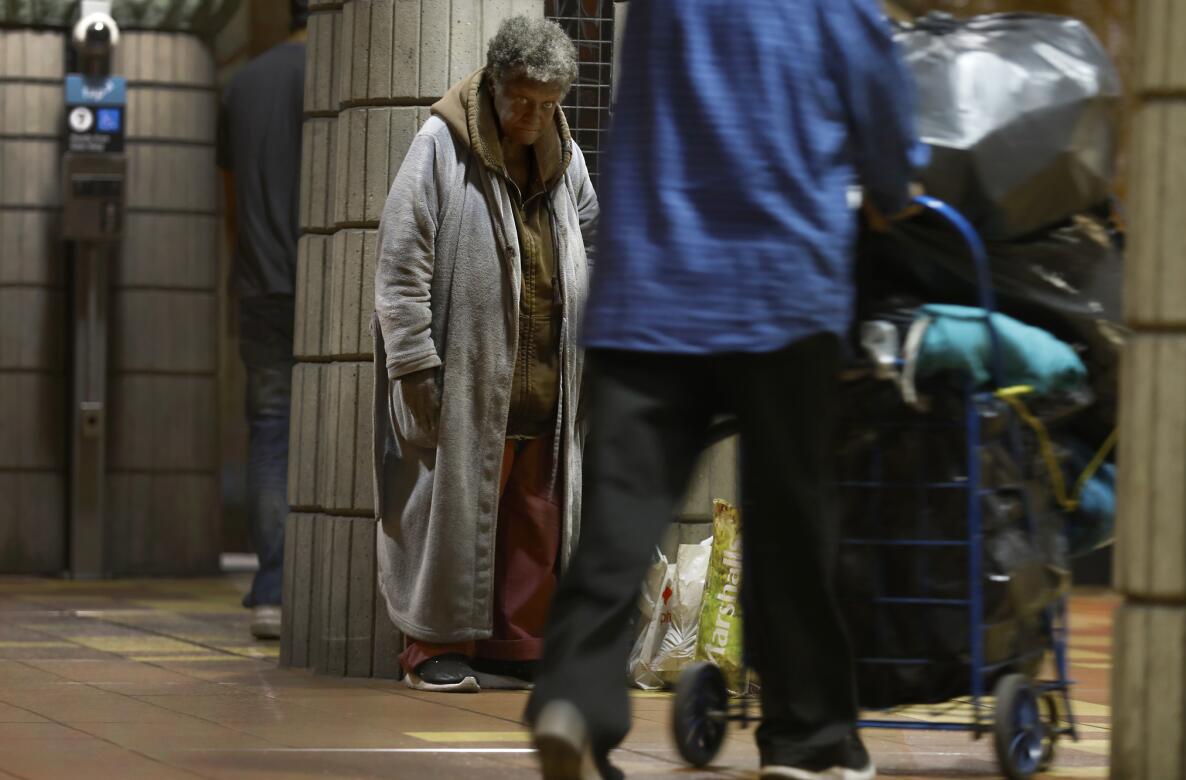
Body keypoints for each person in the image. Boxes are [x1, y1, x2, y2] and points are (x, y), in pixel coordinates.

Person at [527, 1, 926, 778]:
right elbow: (886, 130)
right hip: (779, 287)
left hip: (645, 286)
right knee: (790, 521)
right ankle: (809, 742)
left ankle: (573, 696)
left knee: (619, 521)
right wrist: (891, 188)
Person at [372, 16, 598, 693]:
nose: (535, 115)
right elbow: (401, 261)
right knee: (446, 516)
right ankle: (433, 648)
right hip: (467, 377)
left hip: (545, 377)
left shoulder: (567, 158)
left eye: (549, 103)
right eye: (524, 99)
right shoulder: (440, 145)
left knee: (535, 517)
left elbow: (590, 236)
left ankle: (515, 647)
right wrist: (413, 362)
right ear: (496, 86)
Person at [217, 0, 308, 640]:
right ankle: (321, 579)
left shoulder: (242, 83)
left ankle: (272, 586)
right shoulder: (333, 78)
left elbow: (229, 198)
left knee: (271, 431)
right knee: (331, 430)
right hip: (326, 285)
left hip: (259, 285)